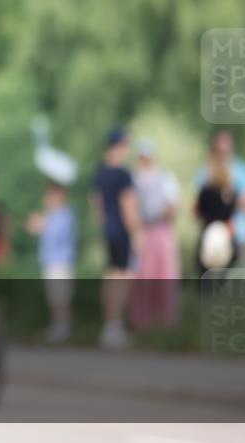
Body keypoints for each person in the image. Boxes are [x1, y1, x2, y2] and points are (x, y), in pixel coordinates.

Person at [91, 128, 142, 350]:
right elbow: (128, 205)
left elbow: (96, 204)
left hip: (108, 230)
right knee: (124, 276)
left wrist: (104, 225)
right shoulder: (123, 174)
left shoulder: (100, 172)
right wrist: (137, 232)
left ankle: (109, 325)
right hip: (122, 231)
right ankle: (116, 325)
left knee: (111, 275)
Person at [128, 139, 181, 330]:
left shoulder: (164, 177)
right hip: (143, 231)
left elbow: (172, 205)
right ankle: (143, 323)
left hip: (162, 230)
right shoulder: (133, 178)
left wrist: (160, 213)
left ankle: (166, 323)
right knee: (143, 277)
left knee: (166, 277)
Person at [25, 179, 77, 343]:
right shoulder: (51, 215)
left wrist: (42, 224)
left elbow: (55, 235)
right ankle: (58, 326)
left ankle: (63, 327)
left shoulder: (64, 215)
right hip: (51, 262)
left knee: (61, 296)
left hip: (60, 263)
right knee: (54, 296)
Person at [194, 131, 245, 261]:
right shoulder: (205, 172)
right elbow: (198, 207)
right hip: (211, 237)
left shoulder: (243, 170)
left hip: (238, 234)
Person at [195, 153, 239, 273]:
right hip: (224, 231)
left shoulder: (206, 191)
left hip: (209, 229)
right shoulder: (231, 192)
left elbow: (197, 212)